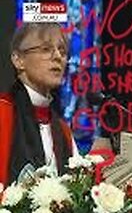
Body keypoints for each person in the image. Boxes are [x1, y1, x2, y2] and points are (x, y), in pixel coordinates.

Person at [0, 22, 77, 185]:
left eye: (62, 51)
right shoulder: (2, 113)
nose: (57, 57)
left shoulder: (63, 131)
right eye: (46, 49)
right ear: (18, 59)